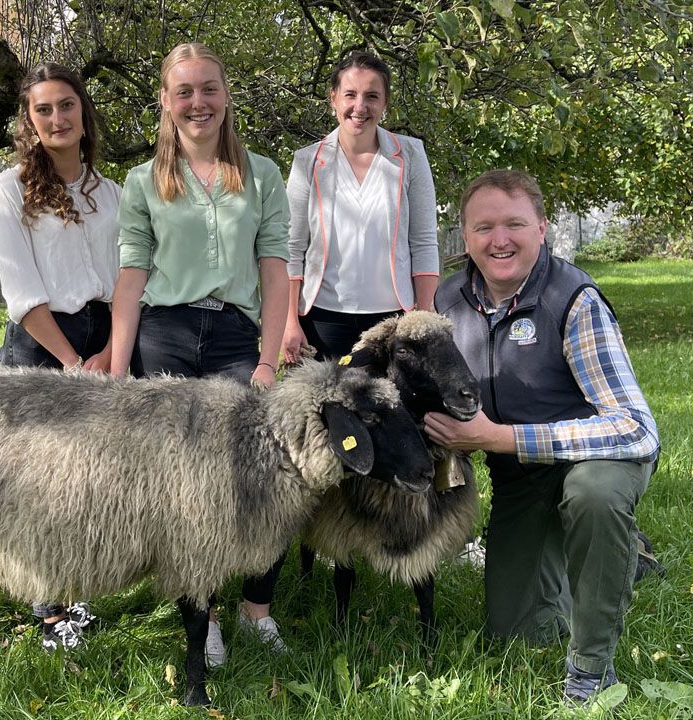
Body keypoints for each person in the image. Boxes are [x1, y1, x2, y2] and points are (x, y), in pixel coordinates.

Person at [423, 169, 661, 706]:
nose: (499, 240)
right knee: (515, 633)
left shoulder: (574, 300)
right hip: (522, 477)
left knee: (593, 499)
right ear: (464, 236)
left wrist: (499, 437)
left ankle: (591, 669)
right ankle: (621, 556)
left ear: (542, 229)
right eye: (483, 227)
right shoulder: (448, 301)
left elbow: (636, 428)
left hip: (598, 461)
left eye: (514, 224)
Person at [108, 42, 290, 666]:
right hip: (166, 334)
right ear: (166, 101)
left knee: (268, 471)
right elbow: (131, 280)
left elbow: (274, 272)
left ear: (226, 94)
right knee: (184, 484)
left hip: (237, 337)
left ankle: (257, 609)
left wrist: (268, 362)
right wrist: (116, 371)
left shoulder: (262, 175)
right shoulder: (144, 182)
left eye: (208, 88)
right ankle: (201, 612)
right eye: (183, 91)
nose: (197, 102)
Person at [0, 62, 122, 651]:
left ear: (82, 111)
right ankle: (47, 608)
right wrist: (72, 361)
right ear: (30, 120)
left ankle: (82, 593)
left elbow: (126, 280)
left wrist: (109, 353)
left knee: (90, 476)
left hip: (105, 341)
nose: (56, 118)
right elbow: (21, 290)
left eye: (65, 105)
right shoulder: (11, 187)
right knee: (38, 479)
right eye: (43, 109)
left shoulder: (112, 192)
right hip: (43, 343)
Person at [282, 51, 439, 366]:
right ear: (334, 98)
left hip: (393, 320)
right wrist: (288, 322)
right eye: (350, 94)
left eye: (372, 96)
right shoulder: (307, 161)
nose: (360, 106)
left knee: (391, 410)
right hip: (321, 320)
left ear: (384, 102)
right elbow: (291, 247)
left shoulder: (410, 155)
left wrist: (425, 315)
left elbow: (423, 240)